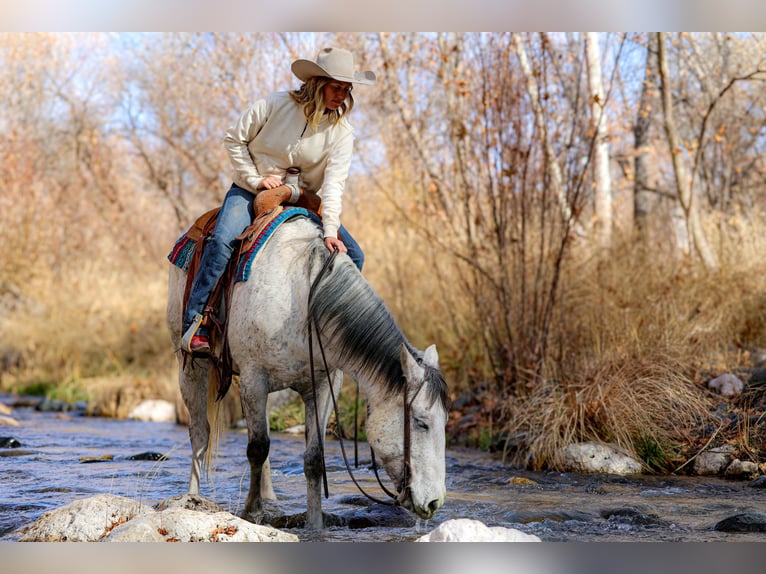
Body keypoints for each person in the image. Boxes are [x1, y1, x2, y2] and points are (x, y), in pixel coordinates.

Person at [181, 47, 376, 354]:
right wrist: (256, 179)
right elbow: (234, 139)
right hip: (250, 190)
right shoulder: (275, 104)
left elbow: (335, 184)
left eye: (347, 89)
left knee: (354, 255)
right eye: (336, 87)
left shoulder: (342, 132)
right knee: (222, 240)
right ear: (317, 83)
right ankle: (196, 323)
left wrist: (329, 231)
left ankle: (331, 335)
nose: (342, 95)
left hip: (302, 200)